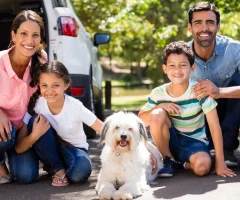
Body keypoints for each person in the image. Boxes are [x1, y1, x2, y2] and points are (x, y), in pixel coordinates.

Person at [138, 41, 236, 178]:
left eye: (183, 65)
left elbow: (214, 126)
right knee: (157, 113)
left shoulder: (199, 90)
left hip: (195, 142)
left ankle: (180, 163)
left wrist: (220, 163)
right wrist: (160, 106)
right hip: (168, 141)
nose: (177, 70)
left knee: (203, 167)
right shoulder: (158, 93)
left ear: (192, 67)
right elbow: (140, 121)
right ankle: (167, 158)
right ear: (165, 68)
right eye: (172, 65)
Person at [15, 60, 103, 186]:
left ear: (66, 85)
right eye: (44, 85)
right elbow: (18, 148)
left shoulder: (75, 106)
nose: (50, 91)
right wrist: (35, 134)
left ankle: (59, 168)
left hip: (74, 149)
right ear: (39, 86)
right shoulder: (36, 106)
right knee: (36, 120)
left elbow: (103, 129)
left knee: (80, 173)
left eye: (56, 85)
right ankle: (58, 169)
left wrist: (125, 141)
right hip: (48, 150)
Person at [188, 2, 240, 167]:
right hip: (200, 114)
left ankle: (225, 148)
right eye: (198, 23)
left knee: (238, 80)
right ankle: (200, 148)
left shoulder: (234, 49)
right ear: (190, 27)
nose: (205, 28)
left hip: (231, 111)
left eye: (210, 22)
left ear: (218, 26)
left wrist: (219, 91)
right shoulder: (182, 54)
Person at [0, 10, 47, 184]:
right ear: (13, 35)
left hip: (22, 130)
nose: (29, 41)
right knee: (5, 135)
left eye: (35, 35)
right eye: (23, 34)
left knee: (26, 176)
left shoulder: (41, 60)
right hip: (2, 129)